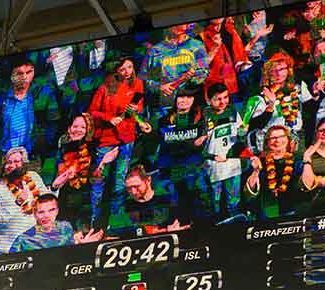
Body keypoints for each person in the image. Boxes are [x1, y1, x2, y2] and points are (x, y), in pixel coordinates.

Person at [87, 56, 150, 225]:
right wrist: (109, 118)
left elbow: (137, 109)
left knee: (120, 182)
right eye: (122, 69)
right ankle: (95, 221)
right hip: (107, 140)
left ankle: (115, 220)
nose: (127, 72)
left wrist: (140, 119)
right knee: (99, 182)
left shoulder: (137, 85)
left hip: (127, 139)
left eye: (129, 67)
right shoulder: (105, 88)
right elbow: (92, 112)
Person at [140, 86, 209, 223]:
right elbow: (154, 140)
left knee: (200, 199)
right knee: (172, 204)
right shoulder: (163, 120)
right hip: (170, 168)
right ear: (174, 99)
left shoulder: (201, 119)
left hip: (193, 166)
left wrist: (203, 139)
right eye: (181, 97)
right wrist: (148, 133)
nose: (184, 100)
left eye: (188, 97)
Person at [0, 57, 61, 166]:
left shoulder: (43, 94)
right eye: (20, 73)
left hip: (32, 156)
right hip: (2, 157)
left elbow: (54, 122)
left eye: (29, 72)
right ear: (11, 76)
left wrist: (44, 147)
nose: (25, 77)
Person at [0, 147, 51, 254]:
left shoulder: (33, 177)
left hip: (37, 240)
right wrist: (18, 203)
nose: (12, 165)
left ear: (23, 164)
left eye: (16, 161)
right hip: (9, 246)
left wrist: (56, 187)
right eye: (9, 162)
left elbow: (47, 202)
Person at [202, 83, 254, 219]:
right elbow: (198, 146)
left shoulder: (232, 111)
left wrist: (243, 131)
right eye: (218, 99)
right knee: (215, 201)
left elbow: (240, 134)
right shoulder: (204, 115)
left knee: (234, 201)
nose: (222, 102)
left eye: (225, 97)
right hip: (214, 167)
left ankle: (236, 222)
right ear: (209, 100)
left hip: (232, 165)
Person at [246, 51, 313, 152]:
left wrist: (316, 94)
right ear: (267, 72)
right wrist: (271, 105)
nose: (278, 73)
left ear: (288, 70)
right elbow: (255, 125)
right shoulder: (259, 94)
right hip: (269, 143)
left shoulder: (298, 87)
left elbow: (310, 111)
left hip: (294, 142)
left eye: (282, 69)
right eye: (273, 70)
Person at [107, 165, 190, 237]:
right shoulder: (124, 207)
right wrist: (164, 231)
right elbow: (115, 234)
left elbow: (185, 224)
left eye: (136, 186)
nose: (133, 192)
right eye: (129, 188)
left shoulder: (168, 198)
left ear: (148, 180)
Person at [140, 24, 209, 107]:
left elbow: (204, 71)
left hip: (192, 101)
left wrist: (193, 76)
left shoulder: (196, 45)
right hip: (167, 104)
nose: (179, 27)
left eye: (182, 24)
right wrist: (160, 87)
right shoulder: (156, 51)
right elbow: (149, 81)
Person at [245, 125, 302, 220]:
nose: (277, 141)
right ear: (267, 142)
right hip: (265, 213)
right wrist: (256, 171)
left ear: (288, 139)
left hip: (292, 211)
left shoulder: (297, 161)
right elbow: (249, 192)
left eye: (281, 137)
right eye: (273, 138)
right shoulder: (259, 161)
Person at [10, 194, 102, 252]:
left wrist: (82, 244)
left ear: (57, 211)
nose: (46, 216)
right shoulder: (22, 240)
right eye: (41, 212)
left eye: (51, 210)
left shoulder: (66, 227)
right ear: (34, 214)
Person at [52, 113, 96, 231]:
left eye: (82, 127)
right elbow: (58, 173)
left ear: (88, 130)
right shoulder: (63, 147)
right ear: (69, 128)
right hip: (66, 196)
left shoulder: (93, 147)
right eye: (75, 126)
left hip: (87, 196)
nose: (78, 130)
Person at [279, 1, 325, 69]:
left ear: (315, 56)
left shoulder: (302, 49)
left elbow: (282, 20)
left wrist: (290, 32)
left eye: (318, 54)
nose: (320, 49)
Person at [200, 17, 250, 98]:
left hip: (233, 86)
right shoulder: (201, 38)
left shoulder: (230, 33)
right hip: (213, 90)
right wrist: (215, 48)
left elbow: (240, 57)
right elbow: (200, 66)